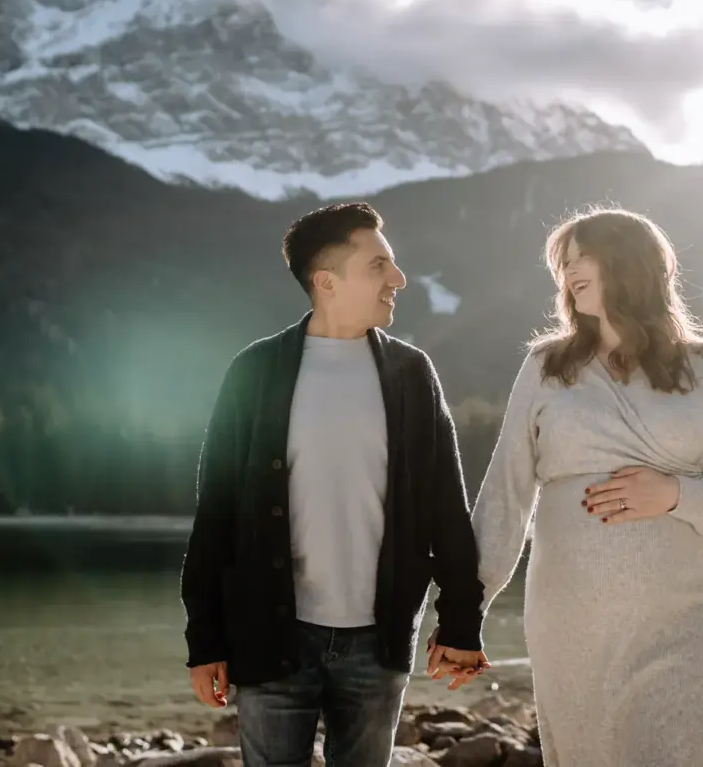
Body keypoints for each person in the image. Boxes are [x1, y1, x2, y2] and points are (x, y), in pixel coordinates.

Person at [455, 207, 703, 766]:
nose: (569, 272)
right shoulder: (546, 366)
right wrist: (466, 607)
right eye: (564, 262)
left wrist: (676, 494)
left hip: (685, 616)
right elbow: (506, 493)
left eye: (582, 257)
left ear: (631, 264)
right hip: (570, 619)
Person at [181, 201, 488, 767]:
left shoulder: (411, 375)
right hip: (271, 639)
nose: (398, 279)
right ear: (327, 282)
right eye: (378, 267)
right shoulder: (253, 373)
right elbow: (216, 516)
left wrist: (462, 621)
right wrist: (205, 640)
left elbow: (446, 507)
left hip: (380, 640)